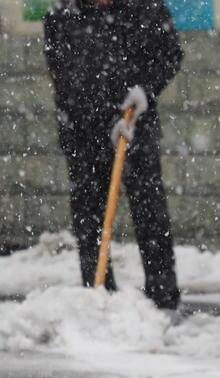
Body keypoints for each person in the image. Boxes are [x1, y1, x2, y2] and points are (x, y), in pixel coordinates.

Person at [43, 0, 183, 310]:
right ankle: (98, 291)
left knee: (150, 213)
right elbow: (62, 75)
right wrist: (91, 118)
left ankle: (163, 296)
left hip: (135, 127)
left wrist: (144, 92)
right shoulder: (60, 16)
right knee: (88, 215)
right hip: (82, 132)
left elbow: (170, 55)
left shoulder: (146, 9)